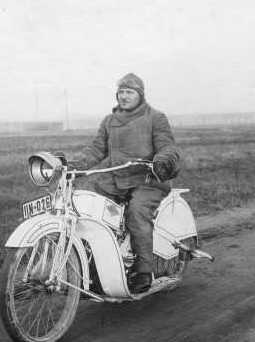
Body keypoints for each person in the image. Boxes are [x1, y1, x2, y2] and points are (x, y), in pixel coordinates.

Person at [68, 73, 181, 294]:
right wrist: (74, 165)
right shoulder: (109, 121)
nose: (124, 96)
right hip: (115, 180)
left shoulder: (155, 117)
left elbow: (168, 146)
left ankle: (144, 271)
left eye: (129, 92)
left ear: (140, 95)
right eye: (120, 92)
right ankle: (97, 266)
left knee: (136, 212)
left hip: (148, 180)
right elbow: (96, 149)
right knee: (90, 210)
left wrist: (163, 161)